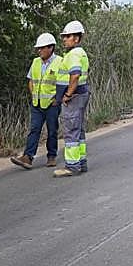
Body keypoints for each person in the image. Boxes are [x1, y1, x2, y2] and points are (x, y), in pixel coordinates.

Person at [11, 32, 62, 169]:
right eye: (38, 48)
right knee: (34, 129)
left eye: (42, 48)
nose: (39, 50)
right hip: (37, 103)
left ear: (51, 47)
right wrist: (33, 93)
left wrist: (57, 99)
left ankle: (51, 156)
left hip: (52, 104)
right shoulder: (35, 62)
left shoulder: (60, 62)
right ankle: (28, 157)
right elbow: (31, 80)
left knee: (52, 130)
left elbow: (63, 83)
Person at [53, 20, 90, 177]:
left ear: (76, 38)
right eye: (64, 36)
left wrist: (67, 94)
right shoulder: (81, 53)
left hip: (73, 98)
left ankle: (72, 166)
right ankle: (81, 162)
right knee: (79, 130)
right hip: (81, 94)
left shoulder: (74, 54)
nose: (64, 39)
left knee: (71, 130)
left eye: (68, 36)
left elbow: (75, 75)